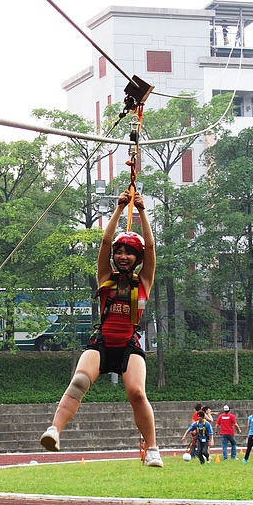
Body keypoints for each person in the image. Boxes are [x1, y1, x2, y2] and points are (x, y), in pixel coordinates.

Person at [40, 188, 163, 467]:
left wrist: (142, 210)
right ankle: (54, 431)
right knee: (80, 380)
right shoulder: (105, 277)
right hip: (103, 342)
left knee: (137, 392)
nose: (121, 256)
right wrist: (119, 208)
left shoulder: (142, 282)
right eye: (119, 252)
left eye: (129, 253)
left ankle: (153, 449)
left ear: (137, 258)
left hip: (129, 345)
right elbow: (105, 242)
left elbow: (151, 248)